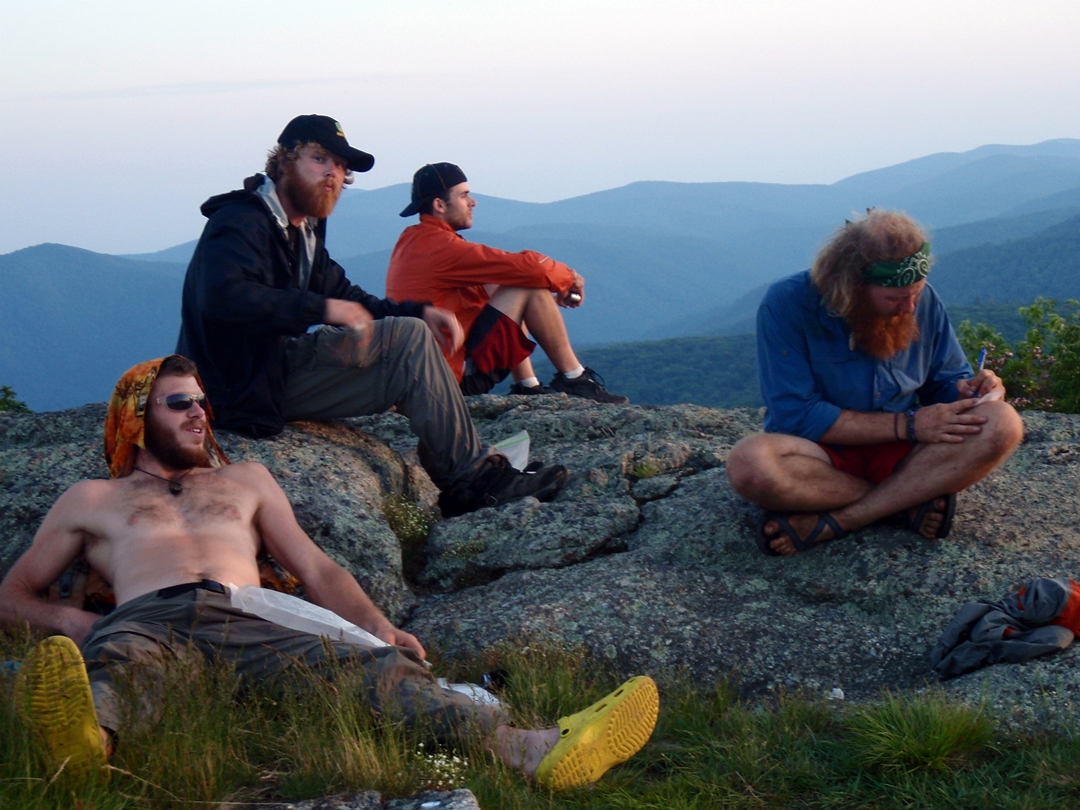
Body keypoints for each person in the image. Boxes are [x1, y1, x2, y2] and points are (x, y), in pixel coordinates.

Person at [0, 356, 659, 789]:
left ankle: (535, 750)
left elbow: (315, 568)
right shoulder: (92, 500)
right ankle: (87, 742)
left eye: (202, 400)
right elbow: (14, 597)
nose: (200, 413)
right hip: (148, 619)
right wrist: (82, 624)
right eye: (179, 404)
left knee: (372, 673)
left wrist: (377, 627)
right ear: (138, 418)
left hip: (250, 616)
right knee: (125, 668)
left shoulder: (245, 480)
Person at [176, 116, 568, 518]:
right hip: (235, 387)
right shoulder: (242, 221)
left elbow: (347, 295)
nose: (333, 173)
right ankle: (474, 479)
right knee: (409, 341)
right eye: (319, 158)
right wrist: (323, 309)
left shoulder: (301, 230)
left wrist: (419, 310)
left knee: (411, 333)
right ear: (283, 162)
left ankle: (465, 473)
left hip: (270, 368)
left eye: (341, 166)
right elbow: (223, 298)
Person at [725, 210, 1024, 556]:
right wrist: (909, 424)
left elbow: (944, 382)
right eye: (895, 299)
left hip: (903, 456)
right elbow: (797, 415)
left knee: (1003, 424)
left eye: (916, 293)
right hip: (817, 456)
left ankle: (845, 519)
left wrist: (973, 391)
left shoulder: (920, 301)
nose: (910, 307)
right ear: (852, 285)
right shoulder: (788, 304)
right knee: (750, 465)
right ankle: (906, 502)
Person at [385, 163, 628, 404]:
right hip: (449, 378)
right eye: (464, 195)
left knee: (505, 282)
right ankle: (575, 379)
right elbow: (531, 269)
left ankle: (528, 386)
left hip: (425, 372)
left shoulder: (413, 240)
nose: (473, 202)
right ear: (439, 204)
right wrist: (570, 278)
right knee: (525, 284)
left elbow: (502, 276)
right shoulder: (440, 248)